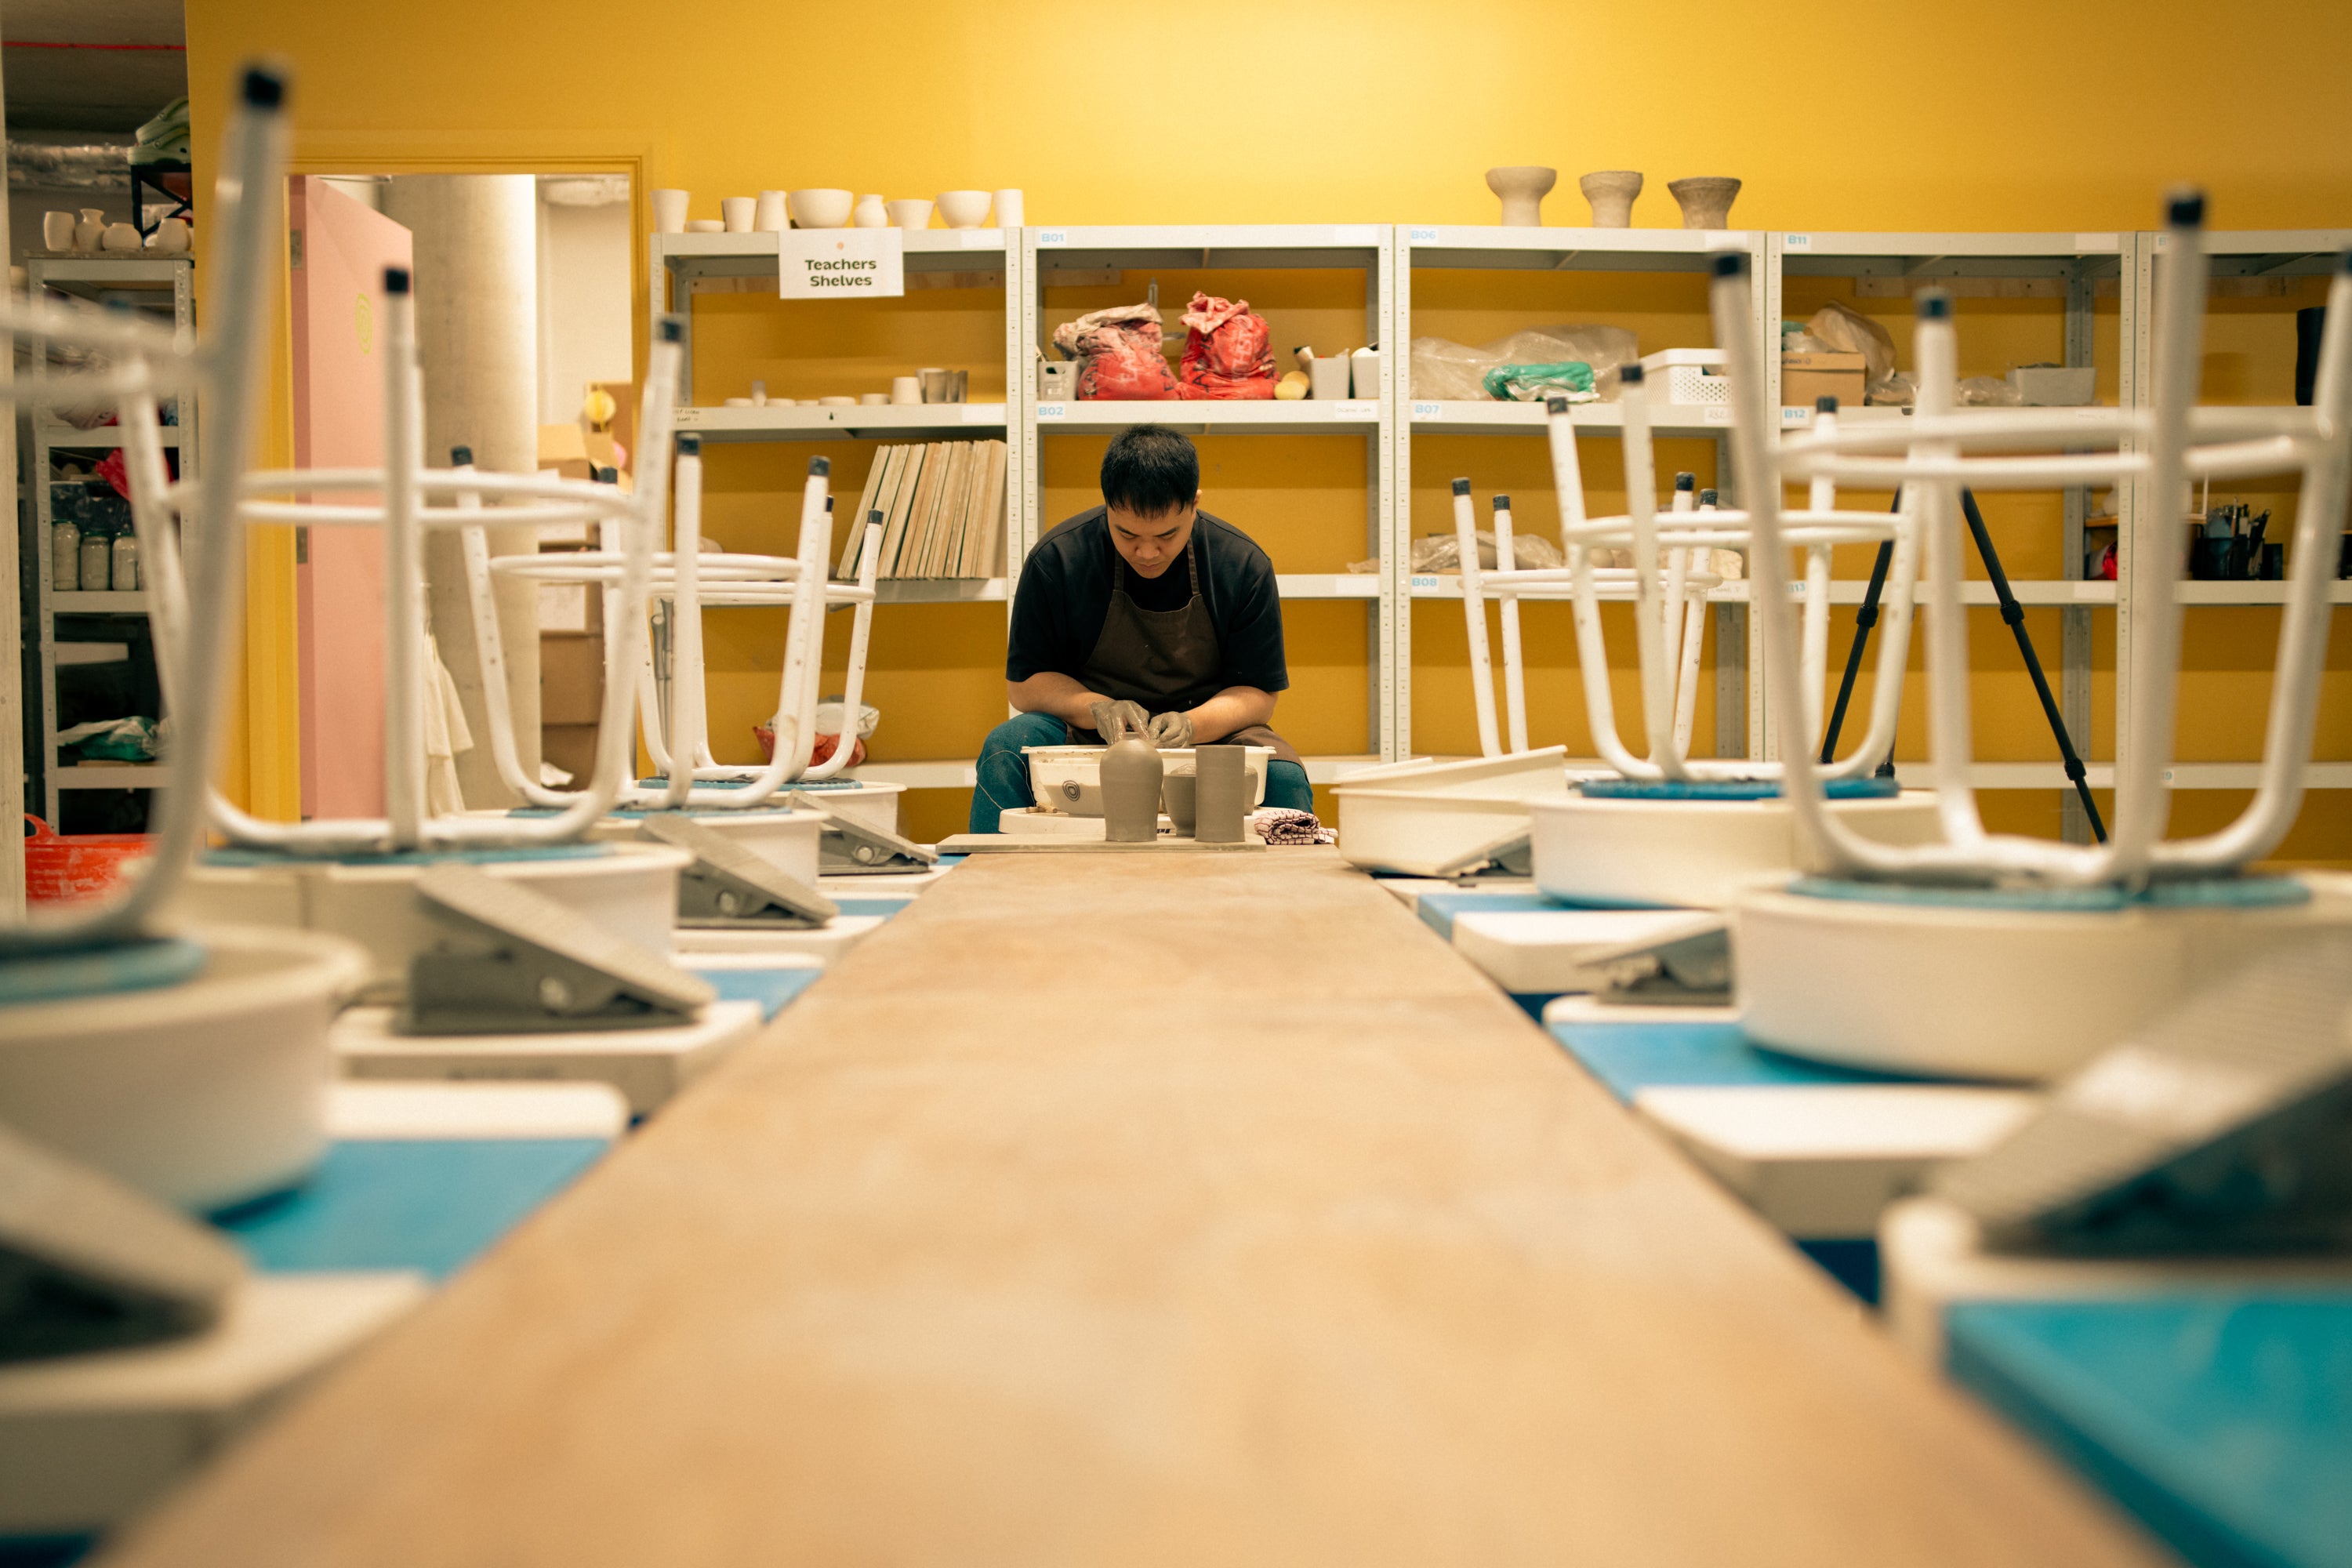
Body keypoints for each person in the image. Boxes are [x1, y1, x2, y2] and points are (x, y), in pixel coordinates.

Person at [971, 424, 1315, 833]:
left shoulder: (1242, 565)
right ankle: (995, 890)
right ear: (1107, 506)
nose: (1147, 552)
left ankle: (1290, 896)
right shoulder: (1057, 560)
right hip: (1089, 734)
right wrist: (1097, 708)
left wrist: (1191, 726)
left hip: (1210, 737)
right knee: (1004, 749)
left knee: (1285, 778)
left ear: (1194, 503)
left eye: (1167, 534)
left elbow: (1258, 695)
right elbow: (1025, 686)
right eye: (1127, 533)